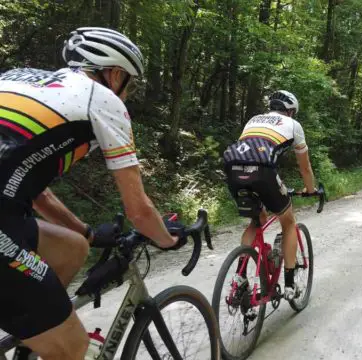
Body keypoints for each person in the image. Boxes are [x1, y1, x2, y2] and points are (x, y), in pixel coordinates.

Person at [0, 27, 182, 360]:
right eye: (131, 82)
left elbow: (38, 194)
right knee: (74, 348)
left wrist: (87, 232)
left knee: (72, 247)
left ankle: (33, 333)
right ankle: (47, 332)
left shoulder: (21, 78)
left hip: (8, 211)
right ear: (114, 73)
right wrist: (169, 239)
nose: (127, 92)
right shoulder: (101, 99)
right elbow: (138, 211)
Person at [222, 90, 316, 300]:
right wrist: (310, 190)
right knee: (289, 222)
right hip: (262, 171)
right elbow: (305, 167)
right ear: (291, 111)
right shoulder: (293, 125)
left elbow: (247, 151)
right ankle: (290, 285)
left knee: (257, 221)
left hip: (232, 169)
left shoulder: (253, 120)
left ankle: (240, 277)